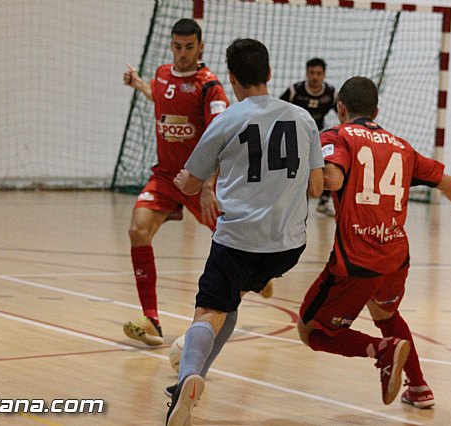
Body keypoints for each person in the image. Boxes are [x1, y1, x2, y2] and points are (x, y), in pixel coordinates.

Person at [297, 77, 451, 408]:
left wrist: (299, 172)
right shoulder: (402, 146)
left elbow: (333, 178)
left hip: (355, 262)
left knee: (311, 330)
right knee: (385, 313)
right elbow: (448, 182)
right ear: (377, 110)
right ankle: (419, 387)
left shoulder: (337, 136)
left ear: (340, 108)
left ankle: (380, 351)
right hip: (396, 259)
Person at [166, 38, 324, 425]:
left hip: (238, 241)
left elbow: (190, 186)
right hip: (288, 247)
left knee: (208, 311)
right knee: (229, 303)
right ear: (269, 74)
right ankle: (193, 377)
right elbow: (318, 188)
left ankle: (187, 379)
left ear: (232, 78)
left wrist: (184, 178)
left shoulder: (226, 121)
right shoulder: (303, 119)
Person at [120, 18, 232, 347]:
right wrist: (140, 85)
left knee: (230, 243)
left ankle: (259, 278)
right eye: (177, 46)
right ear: (172, 45)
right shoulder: (162, 75)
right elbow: (163, 100)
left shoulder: (210, 85)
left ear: (200, 47)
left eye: (189, 47)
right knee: (137, 230)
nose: (182, 53)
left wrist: (209, 185)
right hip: (165, 178)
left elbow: (219, 136)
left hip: (197, 180)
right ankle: (152, 320)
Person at [280, 57, 337, 217]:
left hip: (318, 137)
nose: (315, 77)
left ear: (324, 75)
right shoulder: (295, 91)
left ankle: (324, 201)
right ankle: (294, 203)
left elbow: (344, 115)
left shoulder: (330, 93)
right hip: (296, 136)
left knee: (331, 162)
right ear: (307, 73)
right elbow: (278, 110)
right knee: (296, 170)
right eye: (311, 73)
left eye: (318, 73)